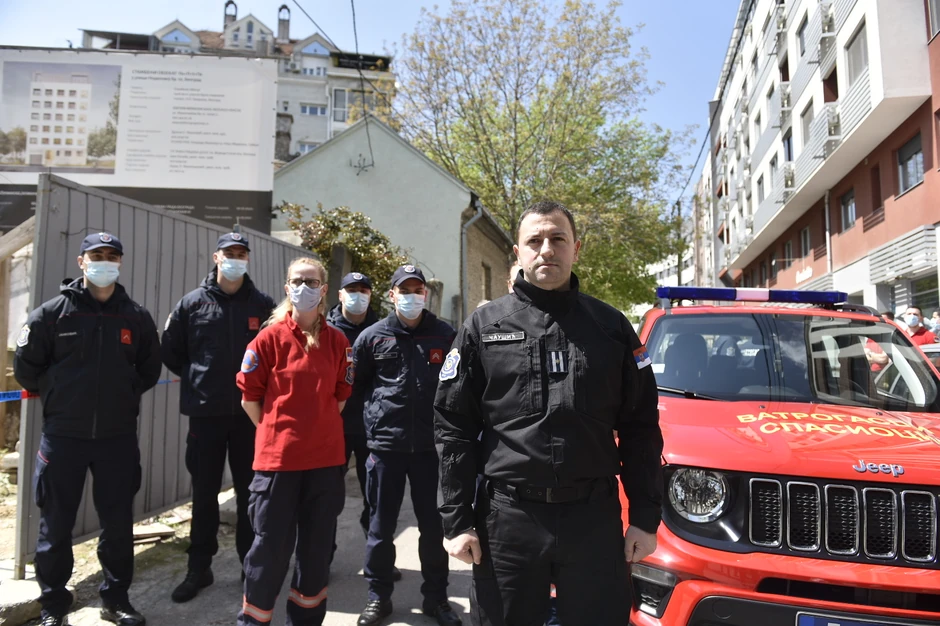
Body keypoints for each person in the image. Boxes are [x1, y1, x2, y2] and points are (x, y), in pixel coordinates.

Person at [434, 201, 664, 626]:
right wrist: (457, 518)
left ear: (576, 248)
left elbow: (641, 428)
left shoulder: (611, 327)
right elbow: (453, 428)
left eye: (558, 238)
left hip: (592, 519)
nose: (546, 249)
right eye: (534, 240)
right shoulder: (483, 327)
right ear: (518, 253)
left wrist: (646, 517)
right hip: (508, 521)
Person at [13, 233, 162, 626]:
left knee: (118, 525)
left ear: (120, 262)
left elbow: (149, 369)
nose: (104, 262)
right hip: (63, 437)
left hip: (117, 437)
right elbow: (26, 368)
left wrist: (123, 394)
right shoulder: (52, 314)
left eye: (112, 255)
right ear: (81, 262)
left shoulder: (135, 316)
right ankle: (53, 607)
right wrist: (58, 393)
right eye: (97, 255)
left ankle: (116, 600)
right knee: (55, 525)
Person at [161, 232, 277, 602]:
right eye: (229, 253)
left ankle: (250, 566)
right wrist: (200, 379)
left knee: (250, 493)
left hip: (249, 416)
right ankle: (199, 568)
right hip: (205, 415)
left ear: (247, 259)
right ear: (216, 257)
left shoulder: (263, 305)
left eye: (241, 253)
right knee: (204, 493)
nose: (235, 258)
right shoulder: (192, 304)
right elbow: (172, 351)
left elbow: (275, 355)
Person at [236, 257, 350, 626]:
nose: (304, 287)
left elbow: (340, 396)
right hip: (278, 465)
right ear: (287, 288)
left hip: (325, 464)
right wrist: (278, 432)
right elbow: (250, 398)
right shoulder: (268, 339)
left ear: (324, 289)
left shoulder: (338, 341)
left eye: (312, 282)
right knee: (269, 552)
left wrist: (314, 428)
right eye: (297, 281)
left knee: (316, 555)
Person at [353, 265, 461, 626]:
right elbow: (358, 386)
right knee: (380, 528)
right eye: (405, 290)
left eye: (418, 290)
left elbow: (457, 386)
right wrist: (372, 425)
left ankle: (437, 599)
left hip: (430, 450)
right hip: (386, 449)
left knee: (433, 528)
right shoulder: (372, 337)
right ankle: (378, 597)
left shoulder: (444, 335)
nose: (412, 296)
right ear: (392, 295)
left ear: (425, 295)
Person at [326, 272, 402, 579]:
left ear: (371, 295)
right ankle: (321, 558)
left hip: (372, 427)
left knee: (377, 499)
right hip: (334, 426)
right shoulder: (327, 330)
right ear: (340, 294)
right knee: (328, 497)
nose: (357, 295)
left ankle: (380, 560)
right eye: (351, 289)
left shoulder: (383, 330)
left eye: (363, 290)